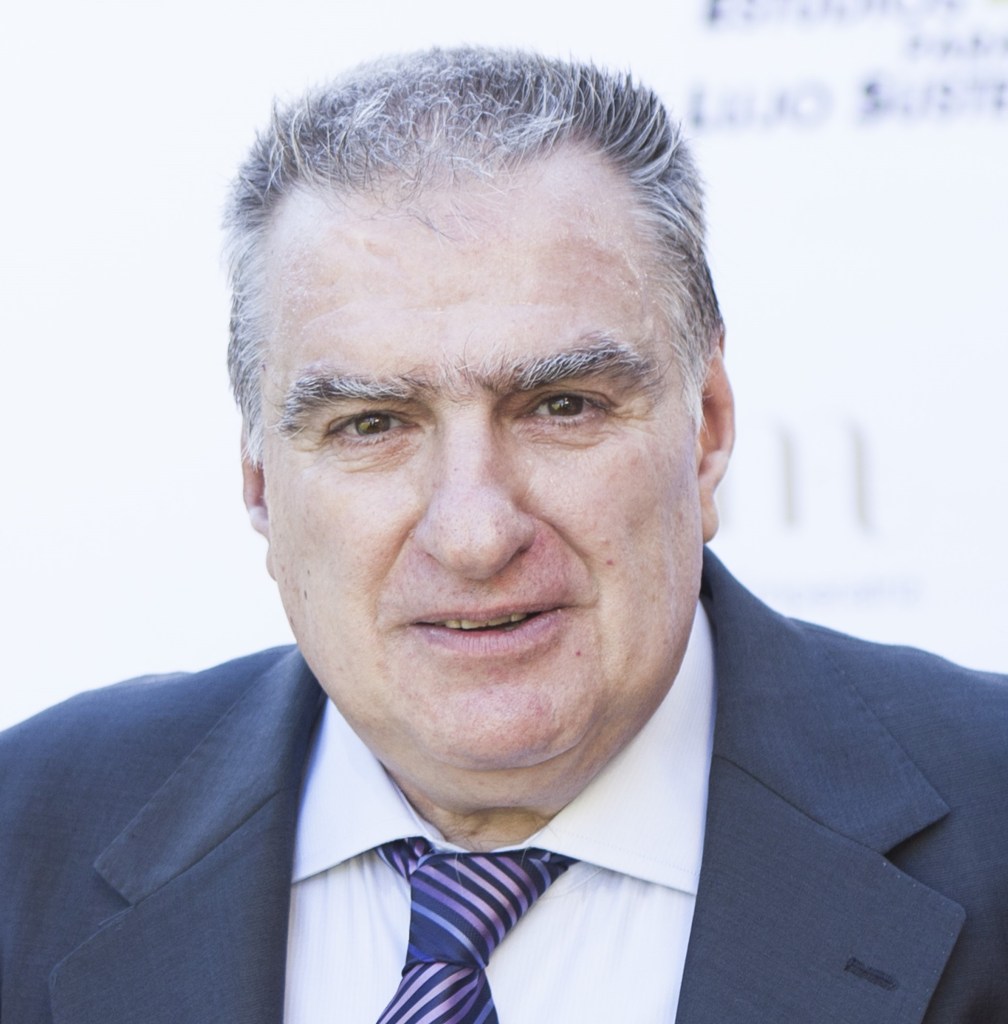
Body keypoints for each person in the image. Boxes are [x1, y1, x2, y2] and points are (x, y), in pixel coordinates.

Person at [1, 47, 1006, 1024]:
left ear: (705, 429)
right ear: (260, 480)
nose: (476, 534)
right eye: (372, 424)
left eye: (561, 406)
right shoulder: (26, 836)